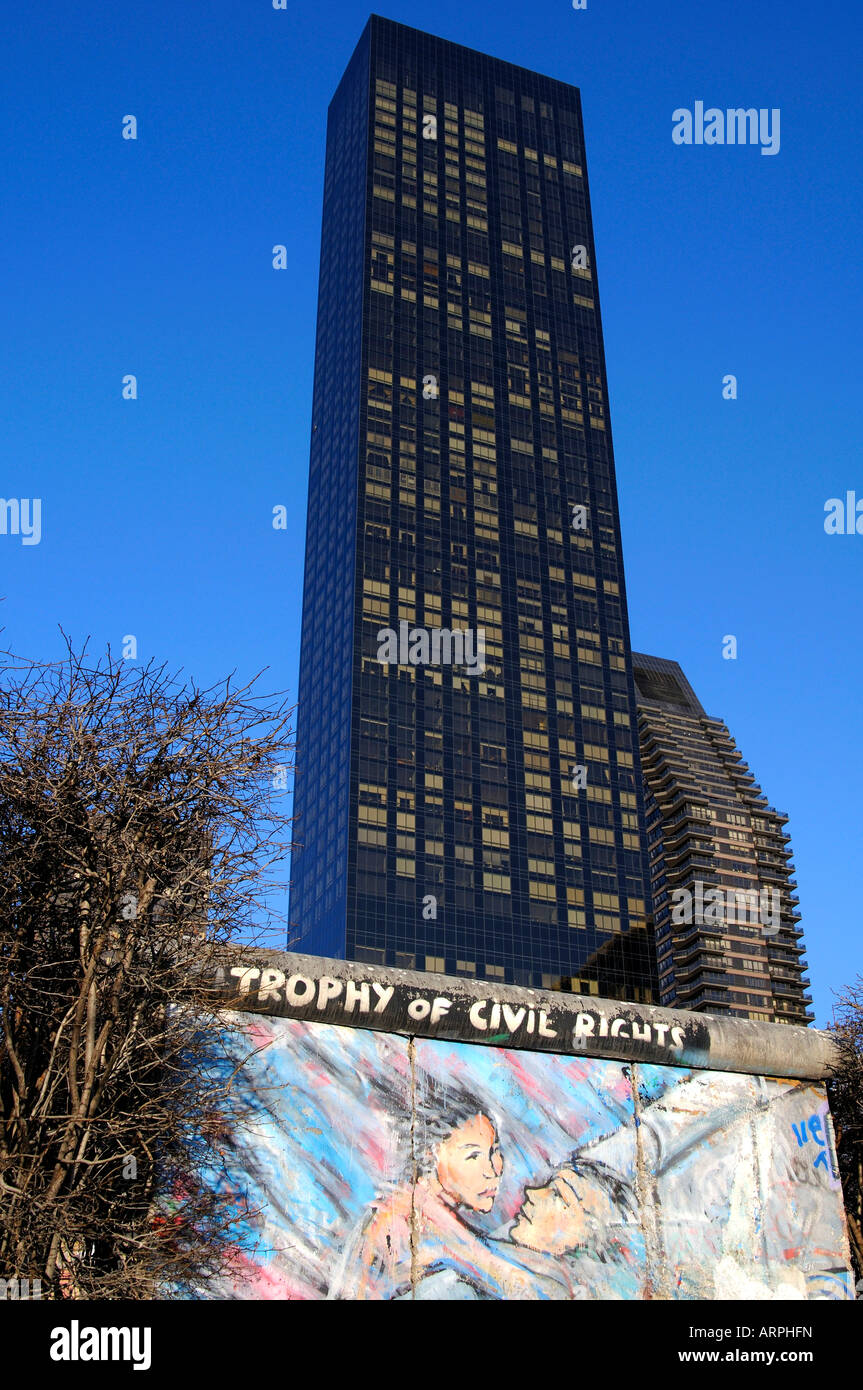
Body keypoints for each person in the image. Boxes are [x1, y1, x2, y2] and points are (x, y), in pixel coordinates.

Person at [329, 1080, 553, 1299]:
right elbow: (515, 1284)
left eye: (494, 1151)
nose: (493, 1169)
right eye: (473, 1155)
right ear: (431, 1154)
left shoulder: (425, 1210)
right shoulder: (409, 1218)